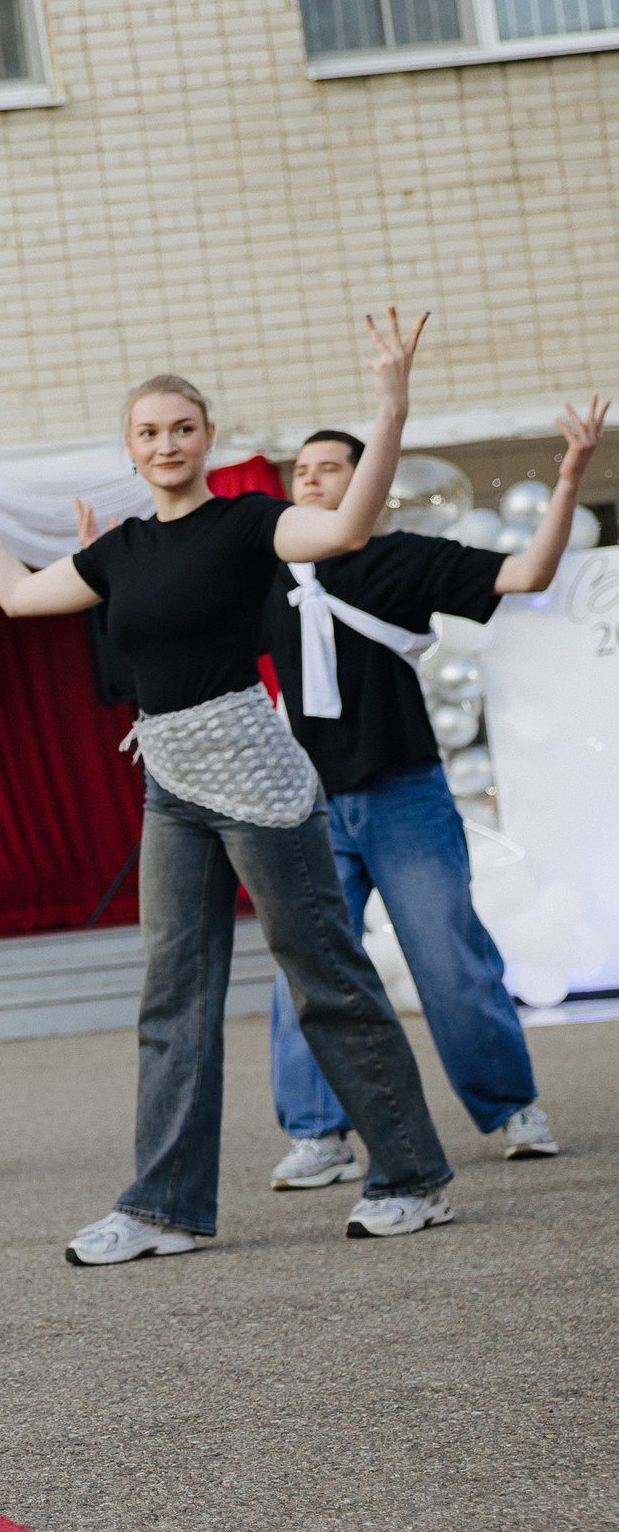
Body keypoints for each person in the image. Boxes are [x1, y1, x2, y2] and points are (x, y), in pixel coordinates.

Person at [0, 311, 457, 1263]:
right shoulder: (122, 550)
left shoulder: (248, 522)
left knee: (324, 976)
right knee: (172, 994)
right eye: (148, 432)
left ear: (207, 437)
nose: (165, 443)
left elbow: (346, 527)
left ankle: (412, 1178)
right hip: (170, 782)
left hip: (257, 777)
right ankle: (163, 1207)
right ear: (129, 449)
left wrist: (391, 407)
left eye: (181, 428)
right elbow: (14, 595)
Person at [258, 398, 604, 1187]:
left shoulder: (404, 558)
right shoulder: (267, 570)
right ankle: (318, 1134)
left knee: (449, 957)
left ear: (368, 482)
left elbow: (529, 572)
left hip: (402, 792)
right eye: (300, 471)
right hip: (306, 803)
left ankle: (511, 1106)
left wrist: (570, 477)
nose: (309, 481)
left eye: (329, 469)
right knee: (304, 969)